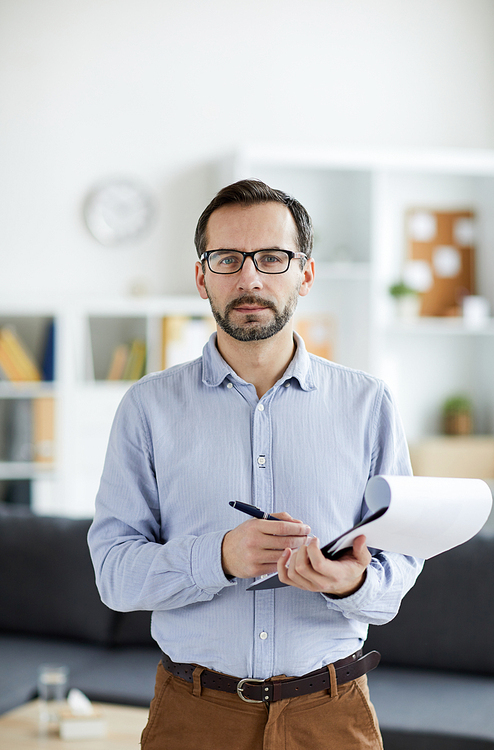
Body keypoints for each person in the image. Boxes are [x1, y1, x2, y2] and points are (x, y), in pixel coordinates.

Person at [88, 179, 423, 750]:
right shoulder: (147, 407)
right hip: (192, 717)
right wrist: (217, 557)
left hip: (331, 715)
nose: (250, 278)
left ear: (305, 273)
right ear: (202, 277)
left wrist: (353, 583)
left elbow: (401, 564)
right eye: (227, 259)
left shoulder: (368, 404)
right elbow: (114, 575)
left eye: (272, 258)